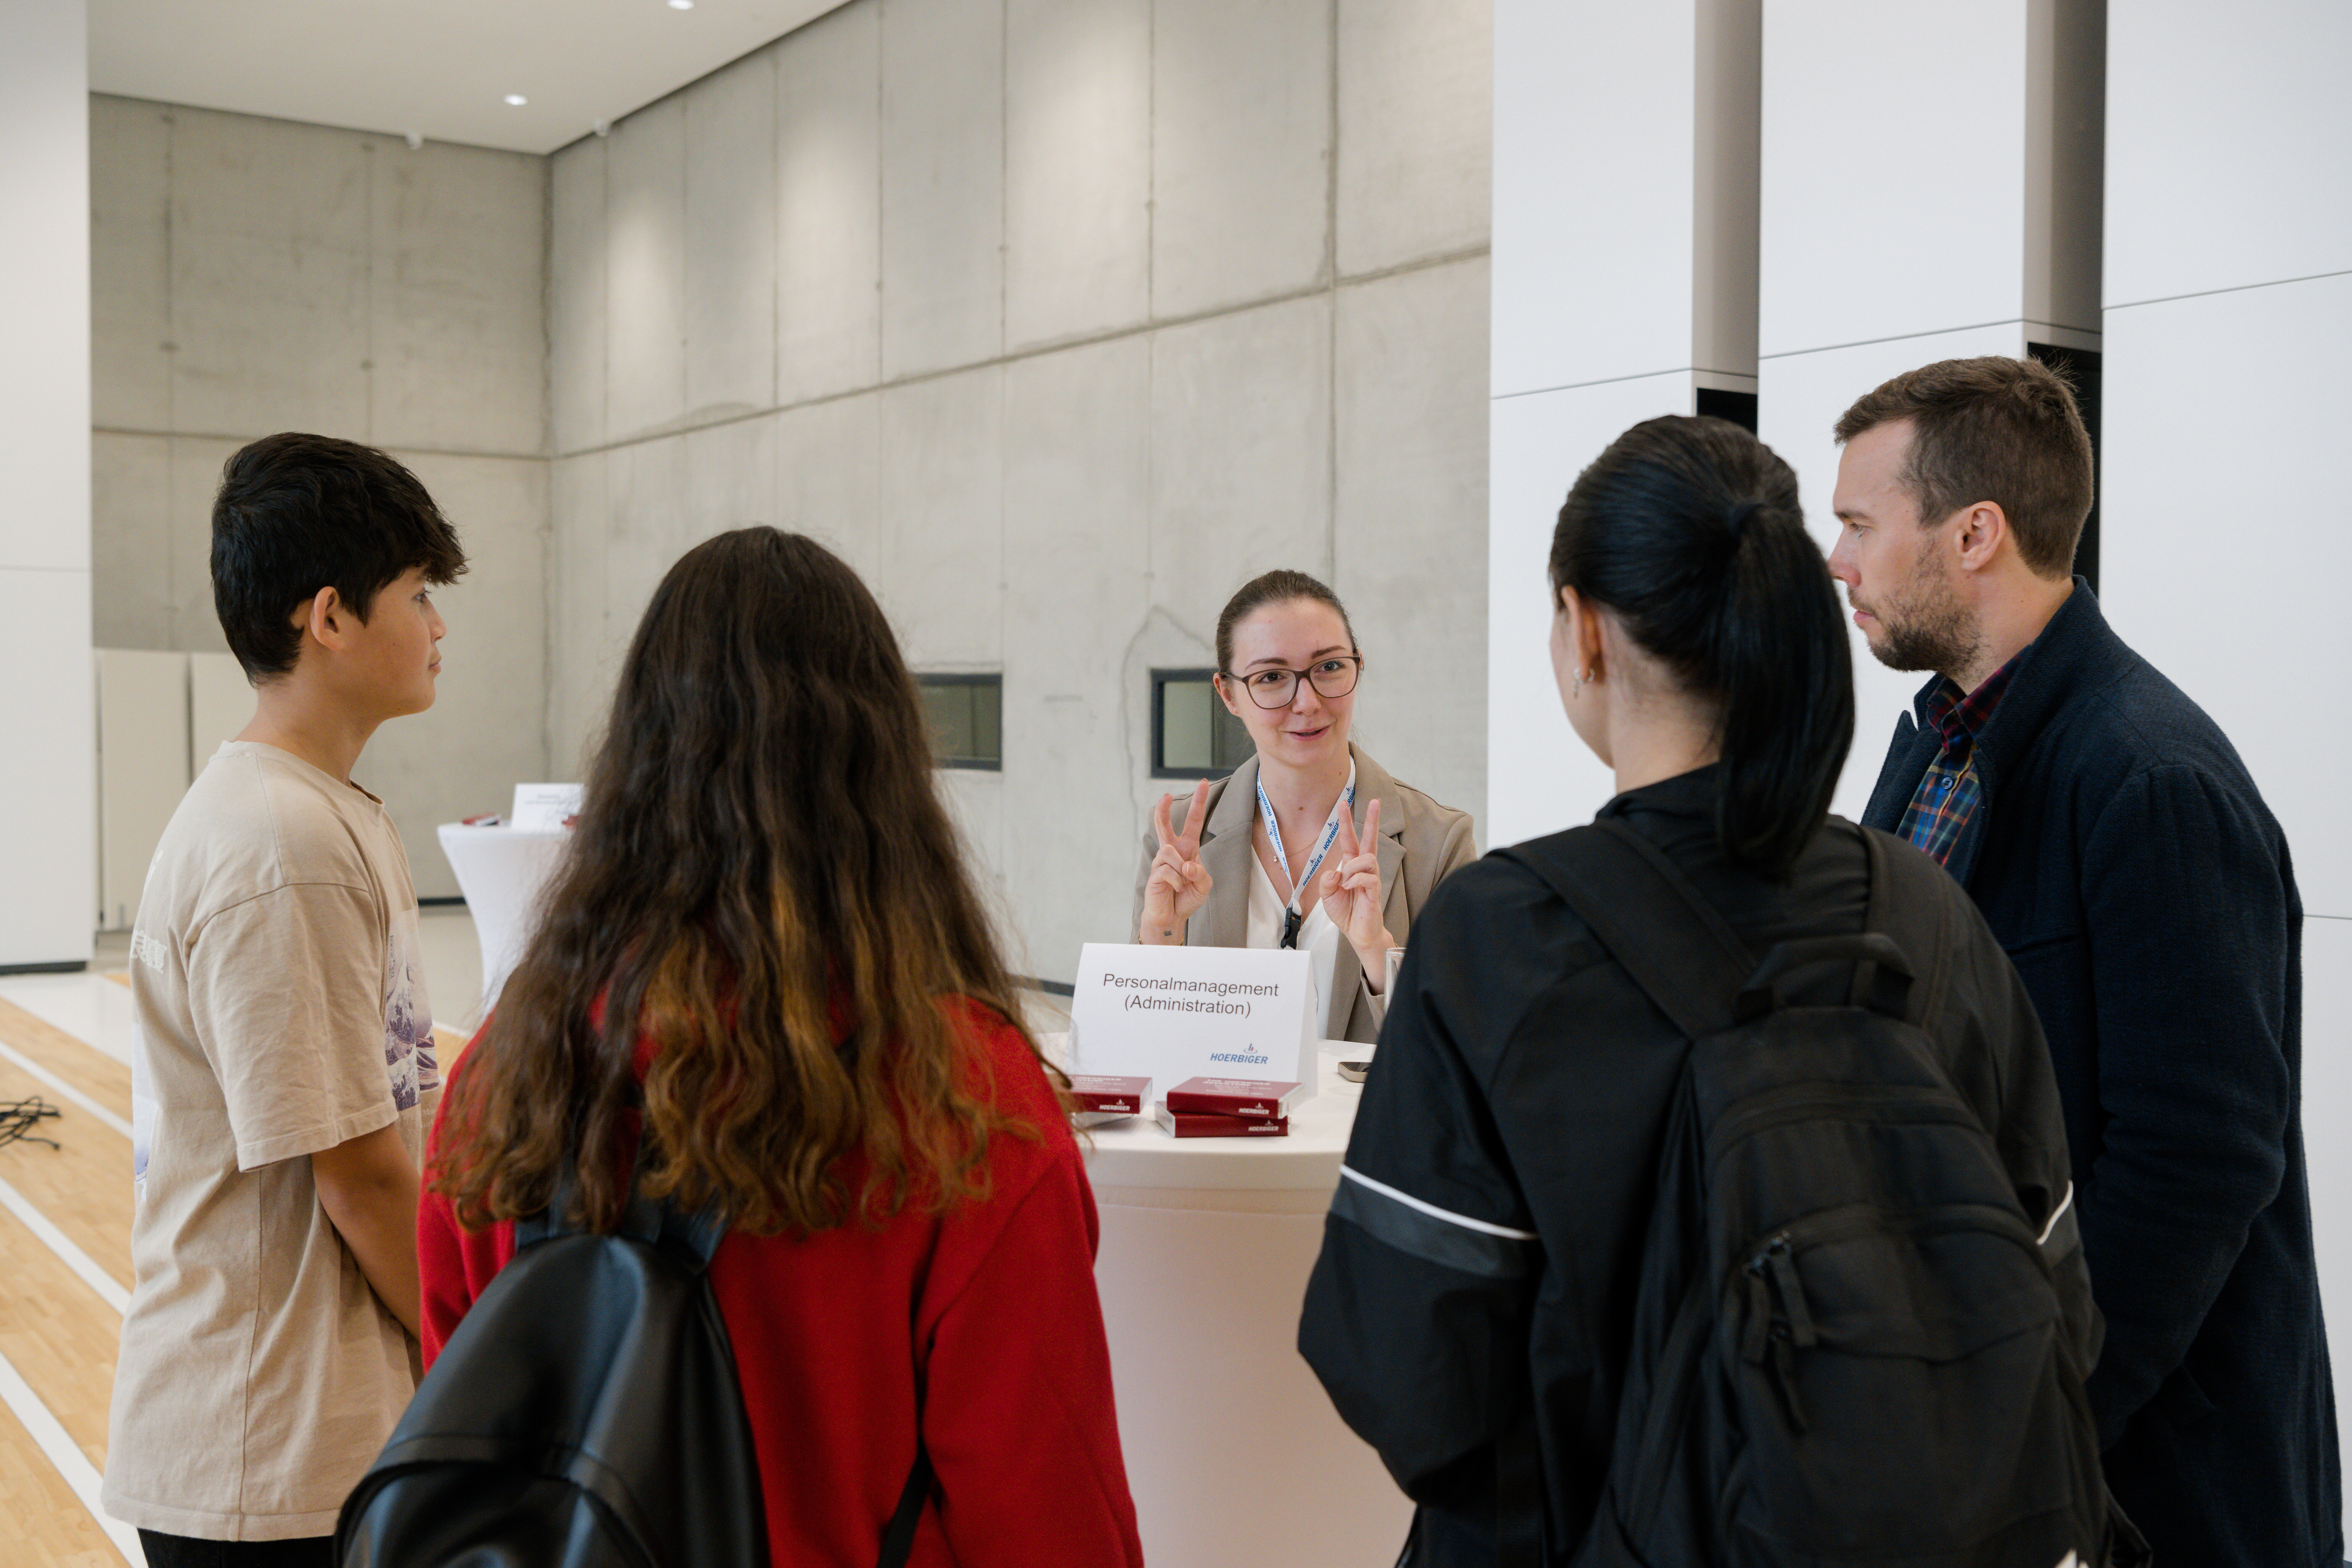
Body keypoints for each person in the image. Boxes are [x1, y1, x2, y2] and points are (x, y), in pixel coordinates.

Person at [1297, 415, 2093, 1563]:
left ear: (1583, 629)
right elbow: (2051, 1296)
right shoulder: (1925, 912)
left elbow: (1405, 1367)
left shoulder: (1500, 934)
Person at [419, 528, 1143, 1567]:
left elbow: (465, 1428)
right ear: (885, 766)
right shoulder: (965, 1101)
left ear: (635, 754)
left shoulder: (508, 1071)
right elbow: (1049, 1517)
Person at [1830, 356, 2338, 1567]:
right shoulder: (1933, 749)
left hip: (2137, 1478)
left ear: (1974, 534)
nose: (1837, 560)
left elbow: (2197, 1160)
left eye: (1858, 523)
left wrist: (2032, 1423)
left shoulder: (2151, 780)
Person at [101, 435, 466, 1566]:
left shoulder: (318, 810)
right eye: (419, 594)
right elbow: (356, 1174)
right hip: (264, 1458)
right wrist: (473, 1356)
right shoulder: (281, 842)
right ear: (331, 618)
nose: (439, 626)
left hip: (305, 1441)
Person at [1132, 569, 1477, 1042]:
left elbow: (1465, 1043)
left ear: (1358, 667)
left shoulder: (1439, 843)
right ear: (1229, 694)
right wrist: (1163, 935)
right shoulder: (1175, 836)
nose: (1308, 701)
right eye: (1272, 677)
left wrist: (1378, 954)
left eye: (1330, 667)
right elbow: (1140, 1042)